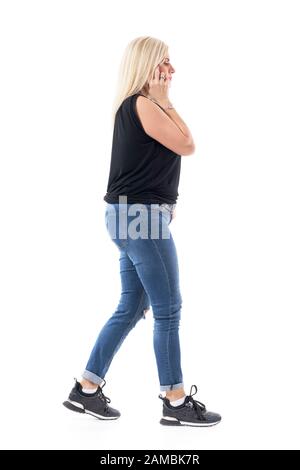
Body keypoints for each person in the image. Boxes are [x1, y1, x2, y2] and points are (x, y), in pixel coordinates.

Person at [63, 36, 221, 427]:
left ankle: (85, 388)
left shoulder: (138, 106)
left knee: (131, 307)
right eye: (164, 63)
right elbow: (187, 144)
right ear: (147, 67)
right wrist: (165, 98)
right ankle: (175, 400)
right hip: (140, 218)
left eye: (171, 63)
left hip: (130, 216)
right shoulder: (143, 105)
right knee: (169, 311)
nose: (171, 70)